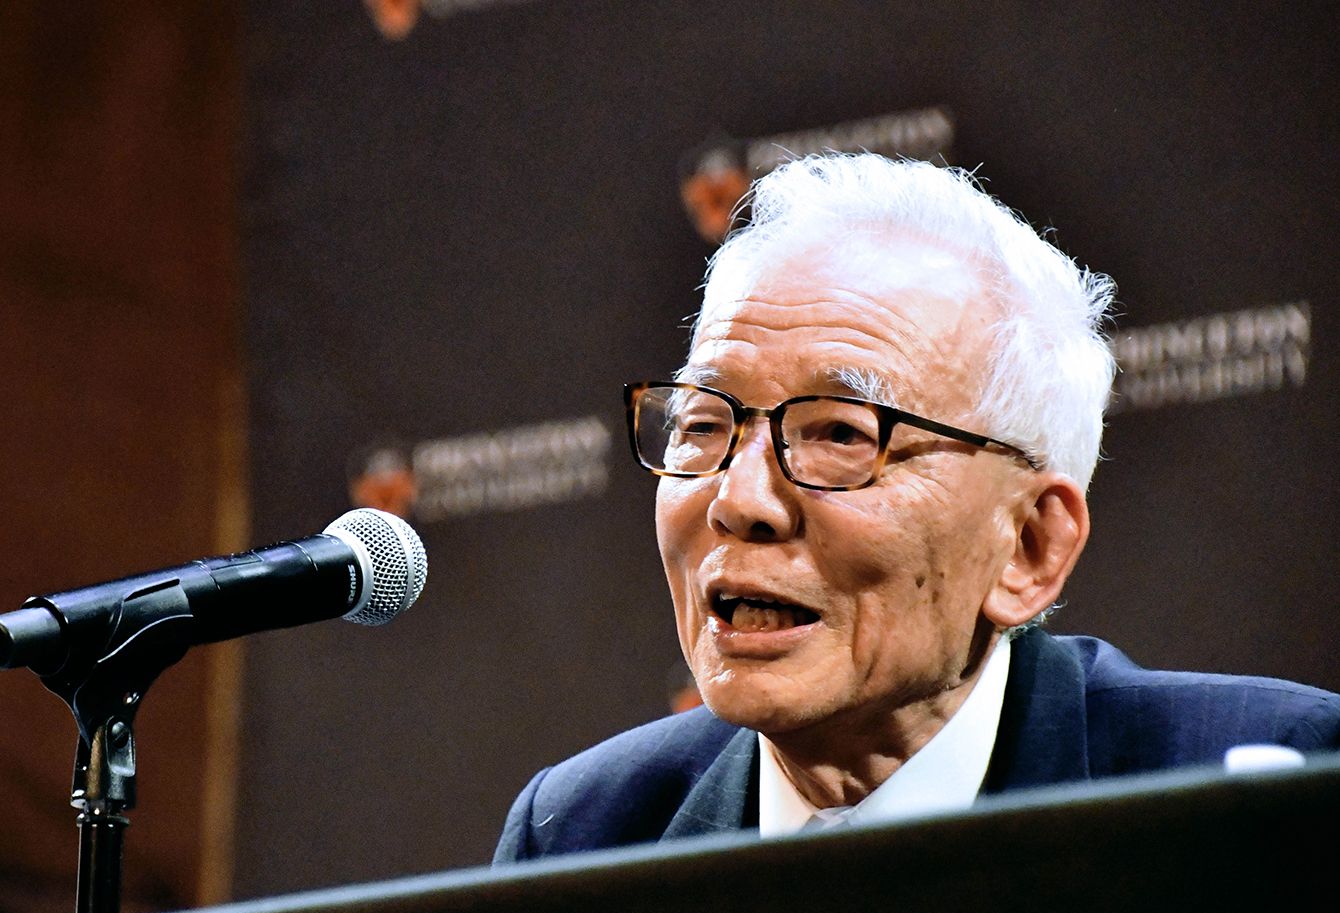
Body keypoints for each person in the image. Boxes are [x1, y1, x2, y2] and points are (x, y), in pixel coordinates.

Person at [495, 154, 1340, 861]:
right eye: (704, 425)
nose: (739, 499)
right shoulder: (581, 837)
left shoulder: (1274, 796)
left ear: (1029, 547)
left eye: (839, 434)